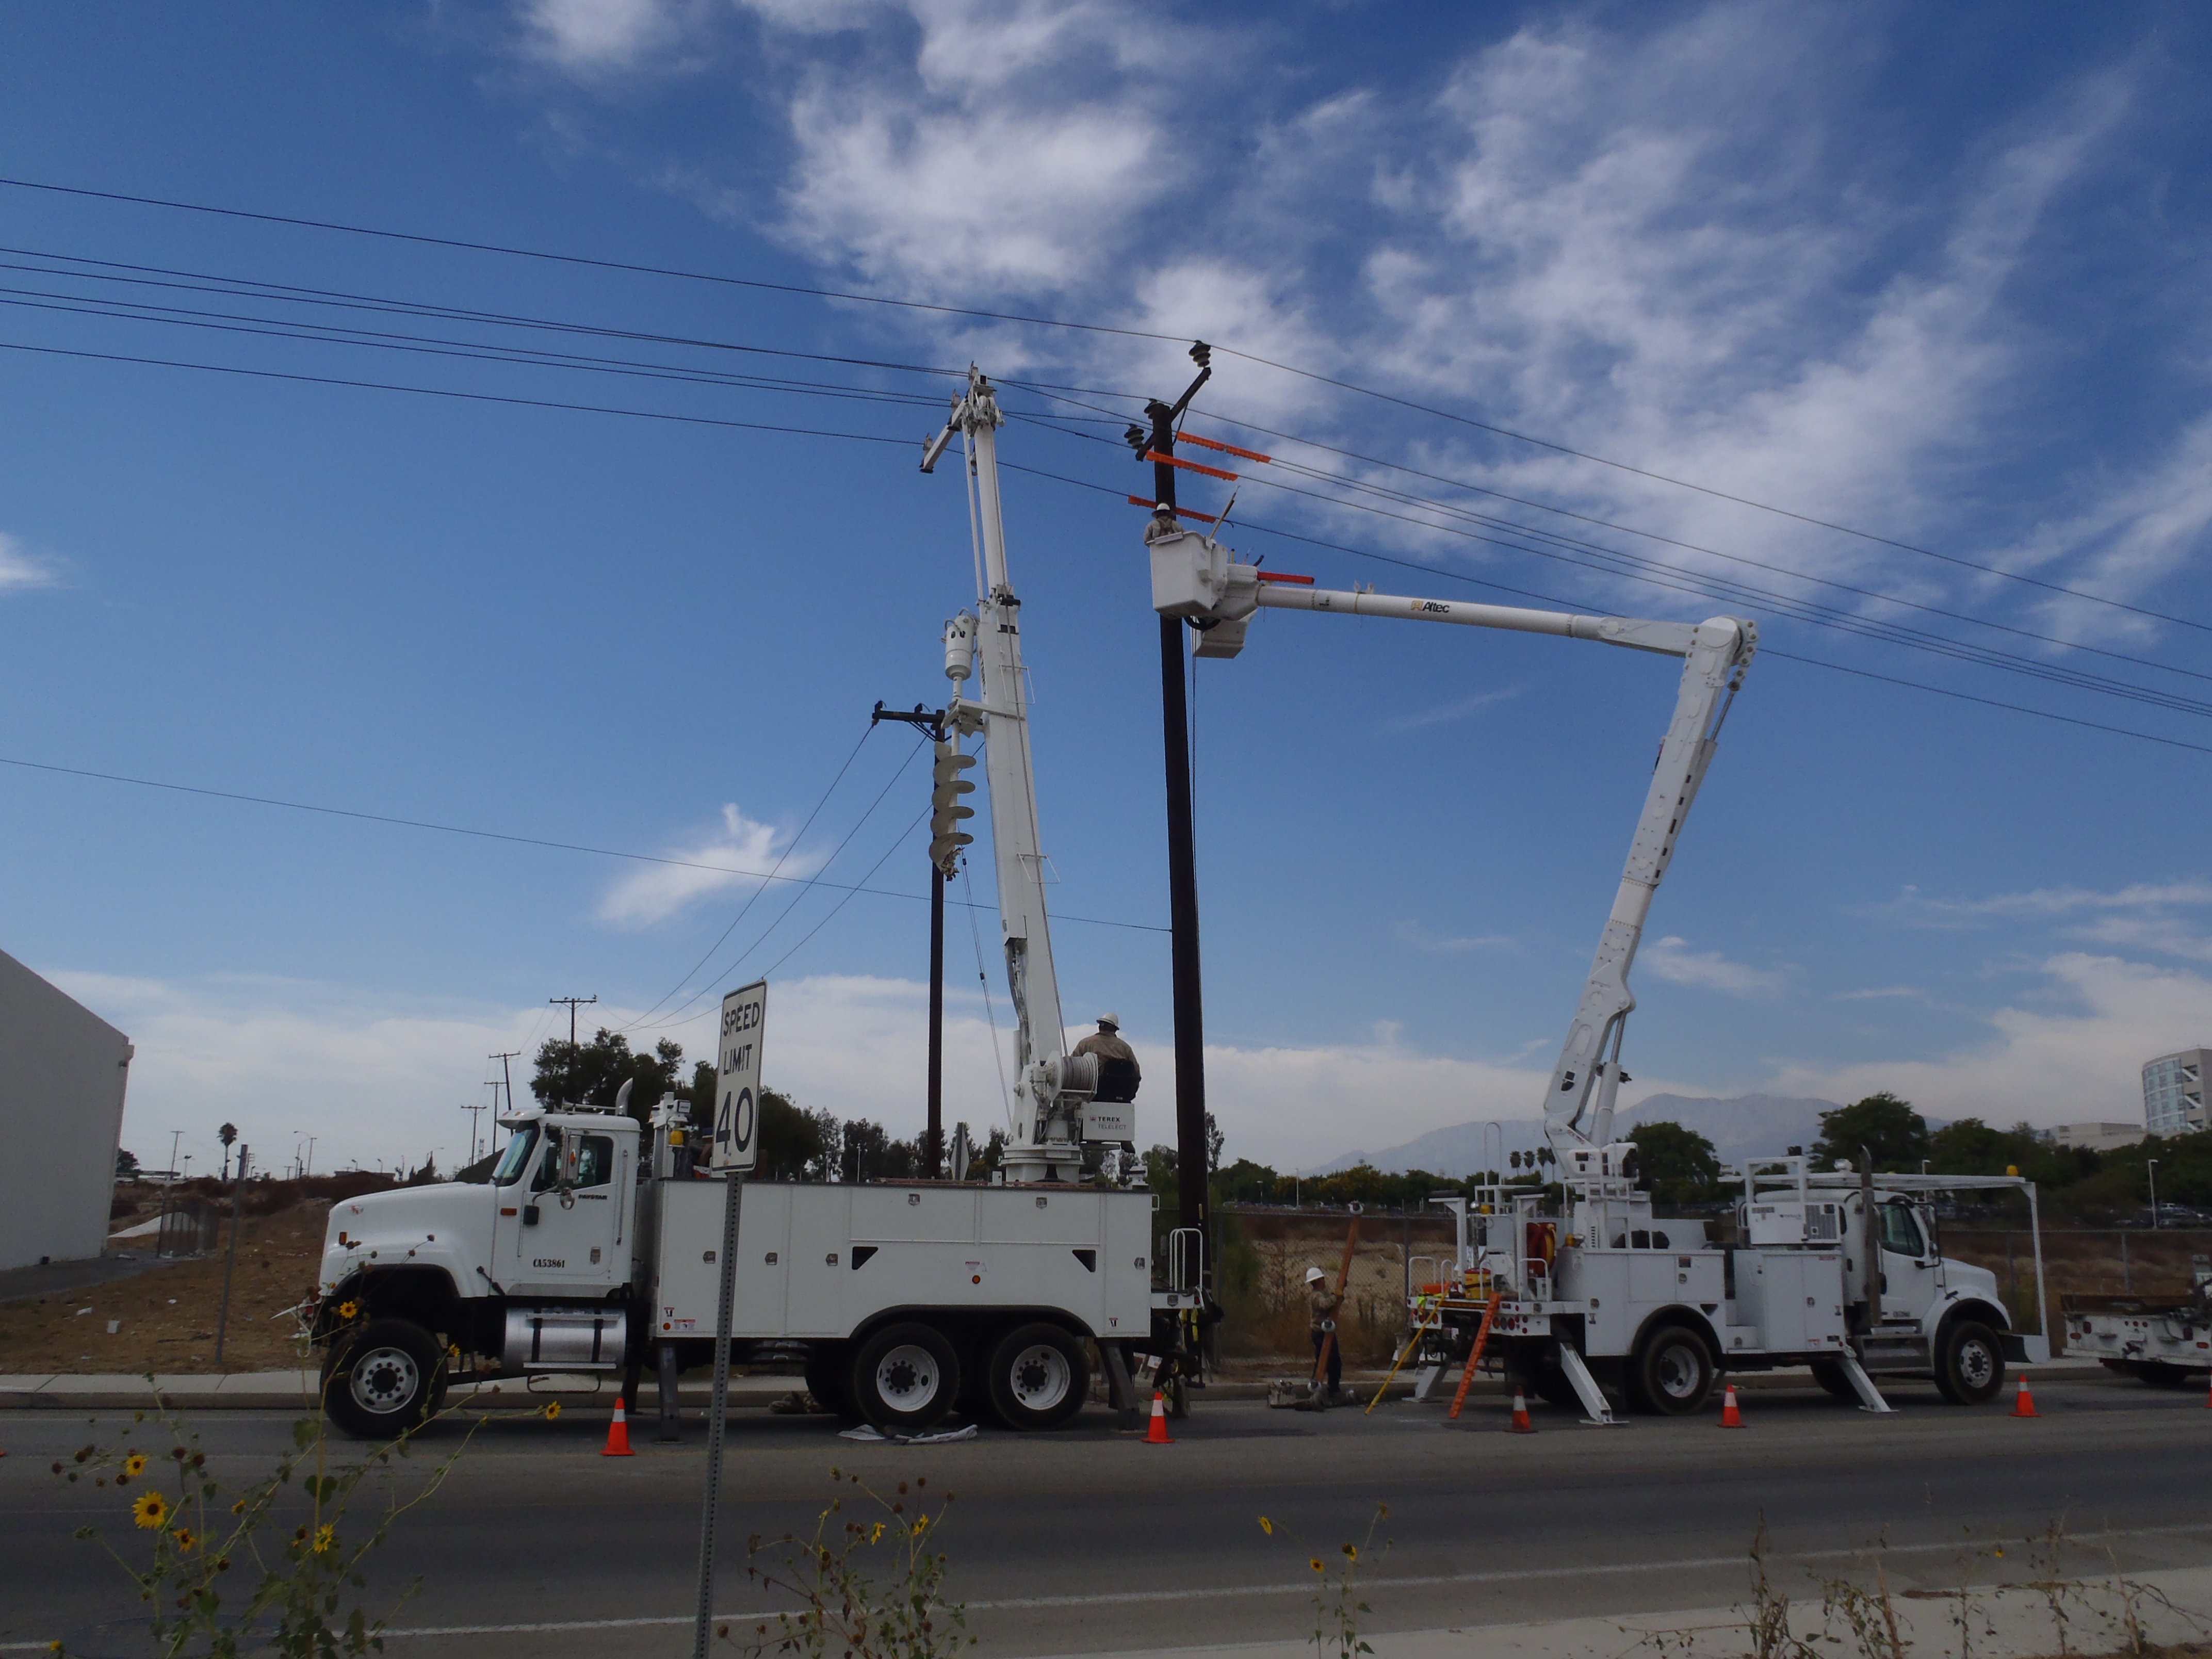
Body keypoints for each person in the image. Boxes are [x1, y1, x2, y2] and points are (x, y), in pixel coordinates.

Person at [1072, 1013, 1141, 1103]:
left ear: (1100, 1026)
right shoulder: (1125, 1048)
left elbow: (1072, 1069)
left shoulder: (1085, 1044)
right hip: (1121, 1098)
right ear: (1115, 1029)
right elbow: (1137, 1075)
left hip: (1093, 1096)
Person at [1305, 1265, 1343, 1396]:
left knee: (1335, 1360)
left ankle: (1334, 1387)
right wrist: (1335, 1297)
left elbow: (1332, 1305)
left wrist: (1339, 1297)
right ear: (1318, 1281)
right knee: (1323, 1360)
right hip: (1319, 1333)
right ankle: (1317, 1386)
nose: (1324, 1280)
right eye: (1322, 1278)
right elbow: (1325, 1305)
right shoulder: (1316, 1296)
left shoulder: (1324, 1293)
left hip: (1328, 1331)